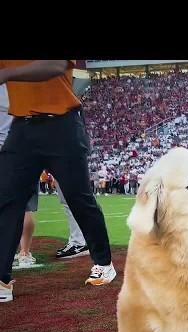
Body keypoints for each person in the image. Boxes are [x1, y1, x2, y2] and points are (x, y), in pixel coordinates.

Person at [0, 60, 116, 304]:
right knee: (8, 201)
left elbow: (54, 65)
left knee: (79, 198)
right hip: (21, 125)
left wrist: (6, 74)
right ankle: (2, 279)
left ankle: (104, 263)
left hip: (62, 123)